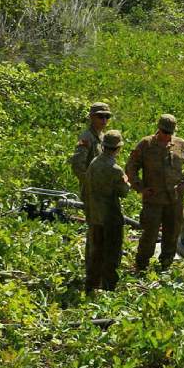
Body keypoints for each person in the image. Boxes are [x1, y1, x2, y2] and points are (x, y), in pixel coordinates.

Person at [126, 114, 184, 271]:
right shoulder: (146, 144)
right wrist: (140, 187)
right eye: (164, 132)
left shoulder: (181, 144)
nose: (167, 136)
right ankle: (141, 265)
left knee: (172, 234)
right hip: (153, 200)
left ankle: (165, 264)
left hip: (174, 200)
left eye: (170, 133)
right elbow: (131, 167)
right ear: (158, 129)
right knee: (149, 234)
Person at [69, 102, 112, 282]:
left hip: (101, 193)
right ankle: (91, 271)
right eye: (100, 116)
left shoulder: (101, 137)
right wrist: (91, 185)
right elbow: (77, 165)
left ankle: (96, 267)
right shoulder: (87, 137)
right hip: (92, 192)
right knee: (95, 230)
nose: (103, 120)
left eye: (107, 117)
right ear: (91, 117)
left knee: (100, 229)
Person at [85, 130, 130, 292]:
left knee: (95, 252)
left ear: (103, 145)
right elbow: (124, 192)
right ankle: (109, 288)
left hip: (95, 215)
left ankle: (91, 286)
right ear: (118, 148)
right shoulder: (115, 169)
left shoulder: (94, 163)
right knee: (112, 254)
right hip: (110, 217)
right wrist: (127, 182)